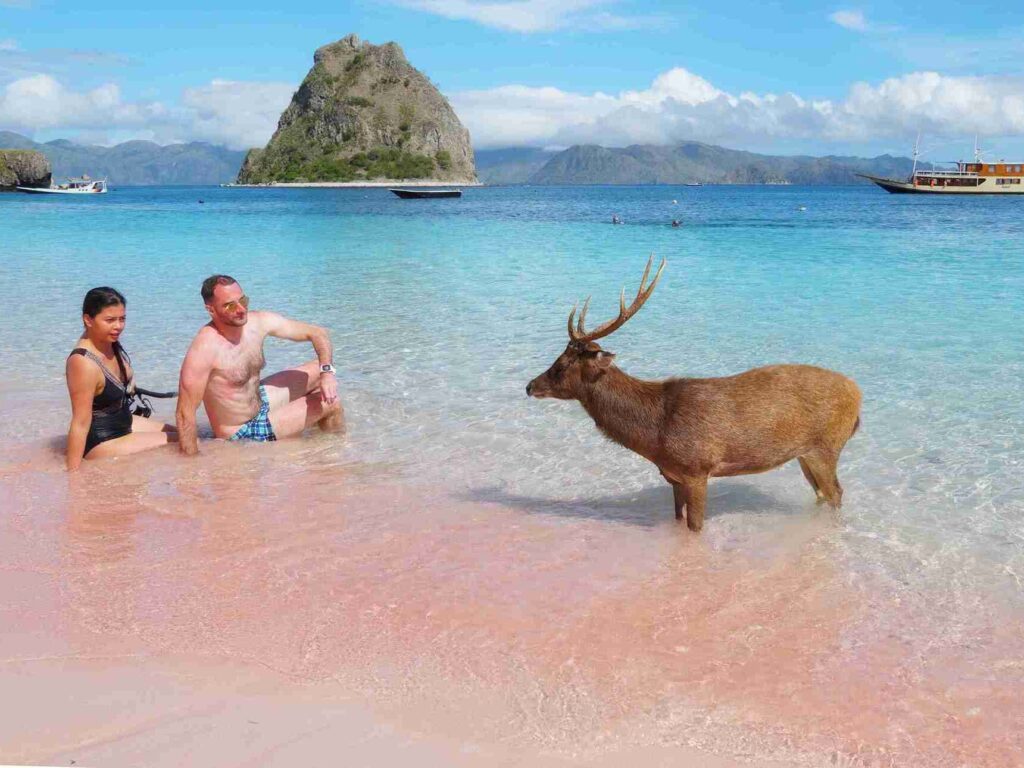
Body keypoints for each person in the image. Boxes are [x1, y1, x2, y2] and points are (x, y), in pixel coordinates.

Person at [176, 275, 344, 454]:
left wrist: (327, 373)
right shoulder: (204, 349)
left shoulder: (257, 322)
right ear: (211, 310)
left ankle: (314, 441)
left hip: (259, 402)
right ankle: (335, 455)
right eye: (230, 305)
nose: (241, 309)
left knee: (318, 370)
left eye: (243, 300)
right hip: (242, 431)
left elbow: (318, 333)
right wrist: (192, 468)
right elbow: (184, 414)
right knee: (332, 404)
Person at [65, 287, 177, 470]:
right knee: (180, 442)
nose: (118, 326)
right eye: (110, 320)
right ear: (88, 320)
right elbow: (80, 422)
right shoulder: (83, 363)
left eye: (122, 319)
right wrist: (73, 476)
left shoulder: (108, 341)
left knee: (182, 433)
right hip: (103, 439)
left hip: (123, 421)